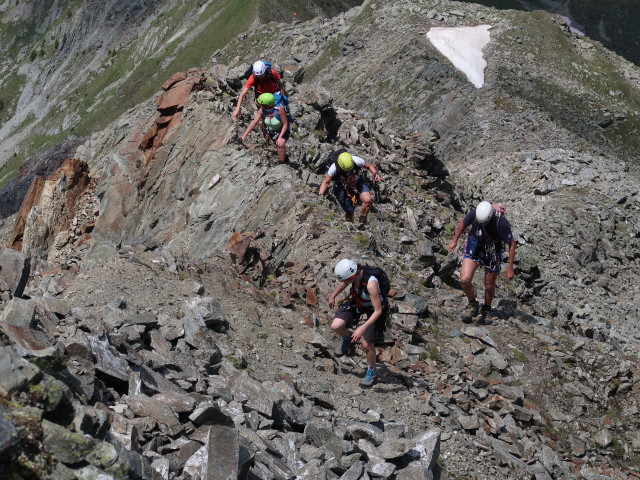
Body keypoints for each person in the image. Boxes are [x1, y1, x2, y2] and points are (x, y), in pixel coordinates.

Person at [447, 201, 516, 324]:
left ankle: (487, 309)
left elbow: (511, 243)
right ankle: (472, 304)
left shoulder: (501, 223)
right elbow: (463, 223)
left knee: (489, 285)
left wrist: (510, 267)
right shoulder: (476, 212)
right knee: (465, 279)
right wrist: (454, 240)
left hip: (492, 251)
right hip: (475, 244)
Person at [328, 259, 389, 388]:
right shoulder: (353, 276)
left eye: (347, 280)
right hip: (359, 301)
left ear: (353, 276)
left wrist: (362, 328)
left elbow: (378, 311)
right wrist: (333, 295)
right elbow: (344, 283)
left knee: (367, 344)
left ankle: (371, 372)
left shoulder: (371, 283)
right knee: (336, 326)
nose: (345, 283)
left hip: (375, 309)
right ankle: (348, 339)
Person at [318, 151, 382, 226]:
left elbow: (369, 166)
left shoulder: (356, 160)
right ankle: (350, 226)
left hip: (358, 181)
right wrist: (320, 195)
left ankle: (362, 221)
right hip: (344, 186)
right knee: (349, 210)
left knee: (367, 200)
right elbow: (326, 182)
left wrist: (375, 174)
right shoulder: (334, 168)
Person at [241, 93, 290, 164]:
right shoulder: (262, 110)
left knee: (280, 144)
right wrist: (244, 135)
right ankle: (285, 158)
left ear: (266, 105)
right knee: (278, 145)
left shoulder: (279, 110)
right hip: (272, 131)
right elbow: (254, 122)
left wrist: (280, 137)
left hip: (283, 130)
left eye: (261, 104)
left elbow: (285, 124)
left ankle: (282, 163)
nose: (259, 105)